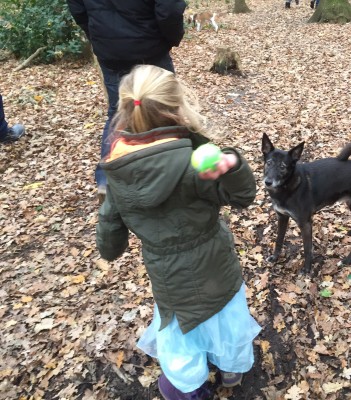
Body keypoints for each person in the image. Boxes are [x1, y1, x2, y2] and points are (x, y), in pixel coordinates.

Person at [95, 64, 261, 400]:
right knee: (226, 320)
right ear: (176, 108)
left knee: (182, 335)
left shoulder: (118, 171)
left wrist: (111, 230)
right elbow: (243, 196)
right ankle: (230, 371)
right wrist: (232, 165)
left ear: (126, 109)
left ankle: (188, 389)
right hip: (217, 269)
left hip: (170, 283)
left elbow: (110, 245)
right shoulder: (194, 159)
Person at [67, 0, 187, 200]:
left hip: (110, 51)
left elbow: (78, 9)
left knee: (118, 112)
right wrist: (169, 39)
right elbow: (170, 9)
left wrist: (98, 37)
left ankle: (107, 178)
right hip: (151, 48)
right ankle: (177, 174)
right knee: (167, 109)